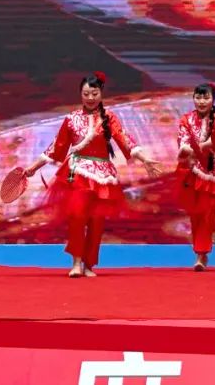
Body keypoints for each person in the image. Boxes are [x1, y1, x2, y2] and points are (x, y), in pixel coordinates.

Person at [24, 72, 162, 277]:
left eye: (94, 93)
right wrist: (34, 167)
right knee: (77, 217)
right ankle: (76, 262)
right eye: (86, 94)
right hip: (77, 172)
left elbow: (124, 139)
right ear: (80, 94)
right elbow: (56, 147)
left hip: (102, 176)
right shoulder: (71, 119)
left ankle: (89, 264)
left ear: (101, 93)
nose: (90, 98)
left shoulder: (109, 118)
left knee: (96, 222)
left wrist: (144, 159)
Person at [176, 82, 215, 271]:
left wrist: (203, 146)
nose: (201, 101)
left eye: (206, 97)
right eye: (198, 97)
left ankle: (201, 254)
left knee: (207, 211)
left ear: (213, 100)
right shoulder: (186, 119)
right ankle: (199, 251)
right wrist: (187, 149)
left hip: (212, 171)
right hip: (192, 170)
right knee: (195, 213)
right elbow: (183, 140)